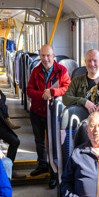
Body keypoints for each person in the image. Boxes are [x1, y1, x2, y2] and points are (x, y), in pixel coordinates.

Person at [26, 44, 71, 179]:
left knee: (53, 142)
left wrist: (53, 92)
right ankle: (42, 165)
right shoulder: (36, 71)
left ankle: (54, 171)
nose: (45, 59)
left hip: (54, 114)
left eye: (48, 55)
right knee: (39, 141)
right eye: (43, 56)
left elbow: (67, 88)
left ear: (53, 56)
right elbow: (29, 90)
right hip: (37, 112)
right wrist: (42, 95)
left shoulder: (62, 70)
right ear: (40, 56)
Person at [63, 49, 99, 114]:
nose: (92, 64)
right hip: (83, 120)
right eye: (89, 60)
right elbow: (65, 98)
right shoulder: (76, 81)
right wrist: (83, 102)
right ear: (85, 62)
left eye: (95, 60)